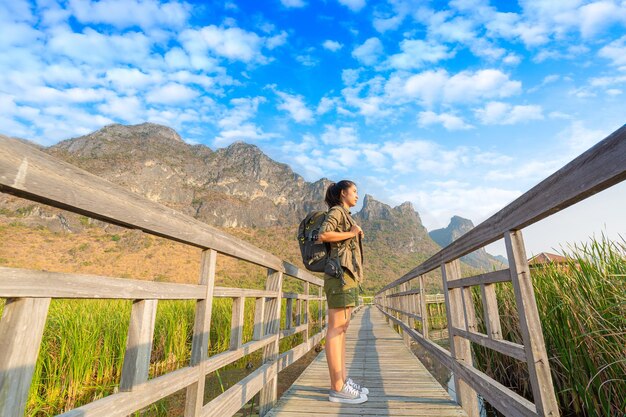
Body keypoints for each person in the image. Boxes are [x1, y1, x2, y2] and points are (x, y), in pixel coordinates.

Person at [317, 180, 368, 404]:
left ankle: (343, 380)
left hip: (346, 276)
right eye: (354, 191)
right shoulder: (337, 211)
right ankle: (337, 387)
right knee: (336, 328)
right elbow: (324, 235)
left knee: (342, 328)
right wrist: (351, 233)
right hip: (338, 276)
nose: (357, 195)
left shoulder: (346, 215)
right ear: (342, 193)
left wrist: (354, 232)